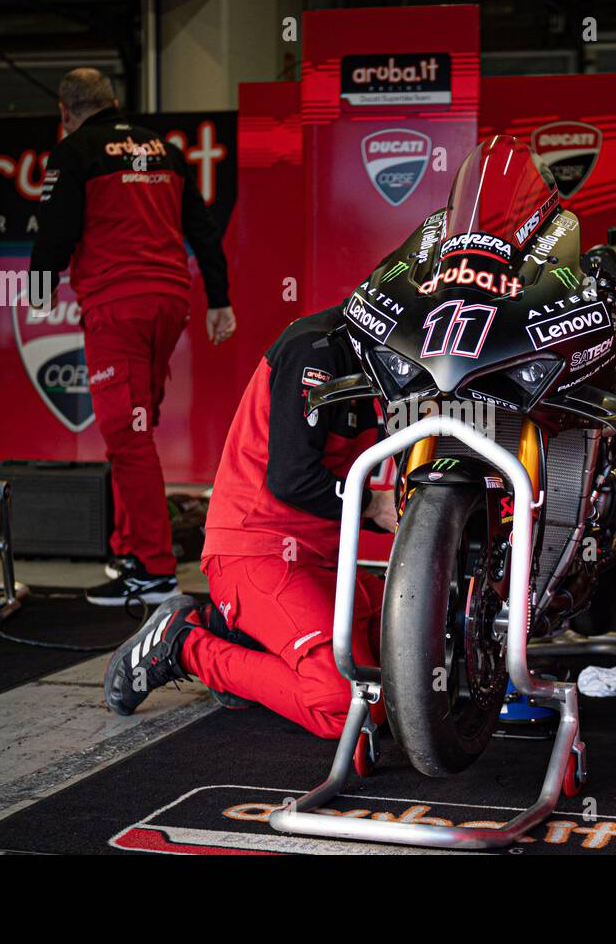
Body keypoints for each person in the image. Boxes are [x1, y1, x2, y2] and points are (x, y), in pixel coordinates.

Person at [103, 305, 400, 738]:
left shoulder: (395, 362)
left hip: (324, 565)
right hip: (256, 551)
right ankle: (185, 644)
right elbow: (292, 478)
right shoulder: (317, 347)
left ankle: (244, 638)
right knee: (347, 706)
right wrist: (376, 506)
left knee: (406, 671)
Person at [29, 67, 237, 607]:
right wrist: (219, 299)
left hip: (117, 305)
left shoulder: (76, 151)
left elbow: (55, 226)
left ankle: (153, 570)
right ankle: (130, 552)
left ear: (65, 112)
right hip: (170, 304)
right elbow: (203, 227)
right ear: (114, 101)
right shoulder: (164, 150)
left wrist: (38, 285)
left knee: (127, 435)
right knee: (134, 429)